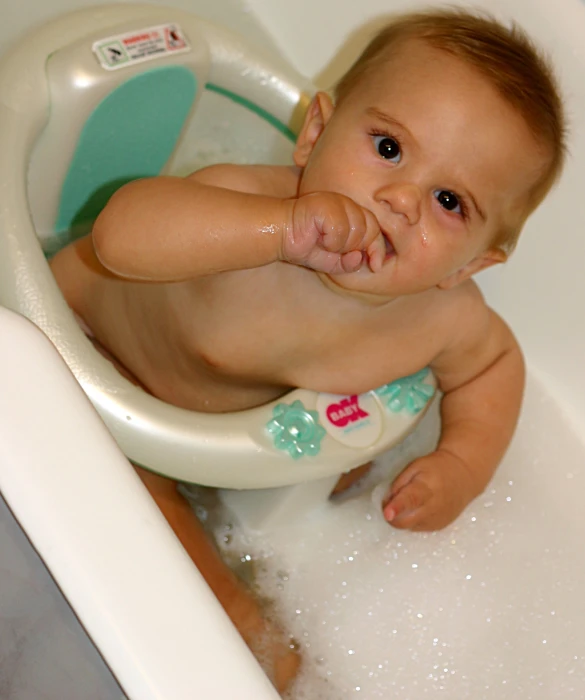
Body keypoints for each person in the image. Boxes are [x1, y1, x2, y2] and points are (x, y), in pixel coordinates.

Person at [50, 7, 566, 693]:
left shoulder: (440, 317)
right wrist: (278, 229)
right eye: (387, 148)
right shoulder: (238, 202)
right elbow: (117, 240)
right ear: (314, 135)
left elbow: (493, 366)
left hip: (209, 433)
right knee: (134, 495)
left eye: (448, 200)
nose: (401, 200)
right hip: (85, 357)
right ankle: (243, 628)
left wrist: (462, 465)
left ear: (469, 265)